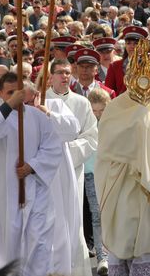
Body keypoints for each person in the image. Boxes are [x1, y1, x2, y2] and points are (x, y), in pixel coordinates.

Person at [96, 39, 150, 276]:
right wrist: (136, 127)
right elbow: (106, 146)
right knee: (126, 237)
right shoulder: (116, 107)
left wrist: (149, 129)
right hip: (125, 184)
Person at [0, 74, 63, 276]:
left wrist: (32, 165)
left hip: (35, 187)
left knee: (38, 240)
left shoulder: (37, 116)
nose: (14, 96)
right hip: (4, 192)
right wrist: (10, 104)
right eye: (9, 93)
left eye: (18, 92)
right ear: (0, 93)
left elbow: (53, 147)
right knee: (9, 242)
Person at [45, 59, 97, 276]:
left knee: (71, 220)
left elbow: (92, 137)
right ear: (50, 76)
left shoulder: (81, 103)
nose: (64, 77)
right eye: (60, 73)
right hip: (44, 172)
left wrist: (65, 154)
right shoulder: (40, 100)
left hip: (70, 170)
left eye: (68, 73)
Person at [85, 88, 110, 274]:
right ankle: (102, 257)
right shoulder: (85, 123)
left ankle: (114, 255)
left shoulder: (113, 123)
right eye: (94, 111)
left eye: (101, 110)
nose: (98, 115)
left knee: (112, 214)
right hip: (91, 173)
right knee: (97, 214)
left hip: (111, 173)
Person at [105, 25, 148, 95]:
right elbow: (108, 92)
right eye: (128, 43)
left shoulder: (149, 65)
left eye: (136, 43)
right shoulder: (114, 66)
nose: (132, 46)